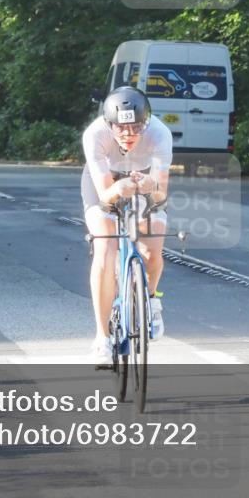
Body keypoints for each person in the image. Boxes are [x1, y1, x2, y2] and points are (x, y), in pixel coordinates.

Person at [82, 86, 172, 367]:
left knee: (151, 249)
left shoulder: (160, 134)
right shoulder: (95, 134)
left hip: (145, 178)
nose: (128, 134)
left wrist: (150, 187)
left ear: (146, 122)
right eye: (120, 127)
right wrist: (119, 188)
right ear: (109, 124)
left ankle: (152, 301)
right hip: (106, 183)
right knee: (105, 249)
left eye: (135, 127)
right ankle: (102, 337)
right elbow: (105, 194)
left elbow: (161, 194)